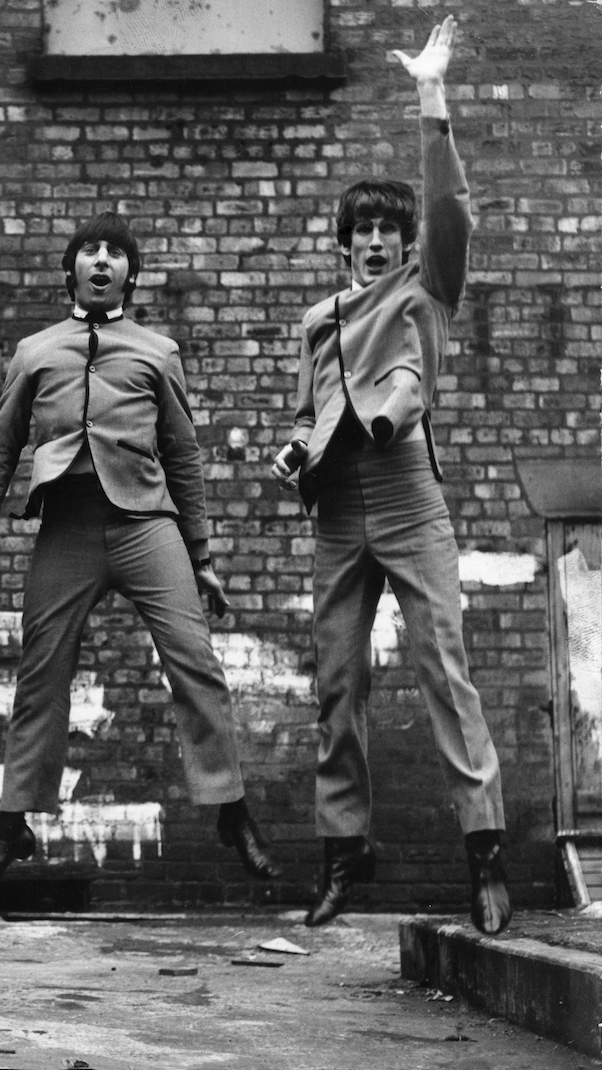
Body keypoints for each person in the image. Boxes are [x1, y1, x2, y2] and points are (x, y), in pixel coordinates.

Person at [0, 211, 279, 896]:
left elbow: (183, 456)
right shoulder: (36, 351)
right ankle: (11, 827)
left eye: (115, 254)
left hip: (146, 525)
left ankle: (230, 810)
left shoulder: (157, 352)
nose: (102, 262)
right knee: (40, 675)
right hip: (66, 527)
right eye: (89, 252)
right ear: (71, 269)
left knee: (195, 661)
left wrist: (202, 554)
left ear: (131, 273)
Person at [270, 17, 511, 934]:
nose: (376, 242)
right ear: (342, 244)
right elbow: (306, 409)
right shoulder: (318, 321)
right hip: (338, 508)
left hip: (409, 494)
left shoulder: (426, 288)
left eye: (386, 230)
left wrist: (431, 95)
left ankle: (485, 854)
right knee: (337, 682)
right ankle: (344, 855)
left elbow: (450, 207)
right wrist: (292, 446)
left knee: (444, 669)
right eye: (362, 231)